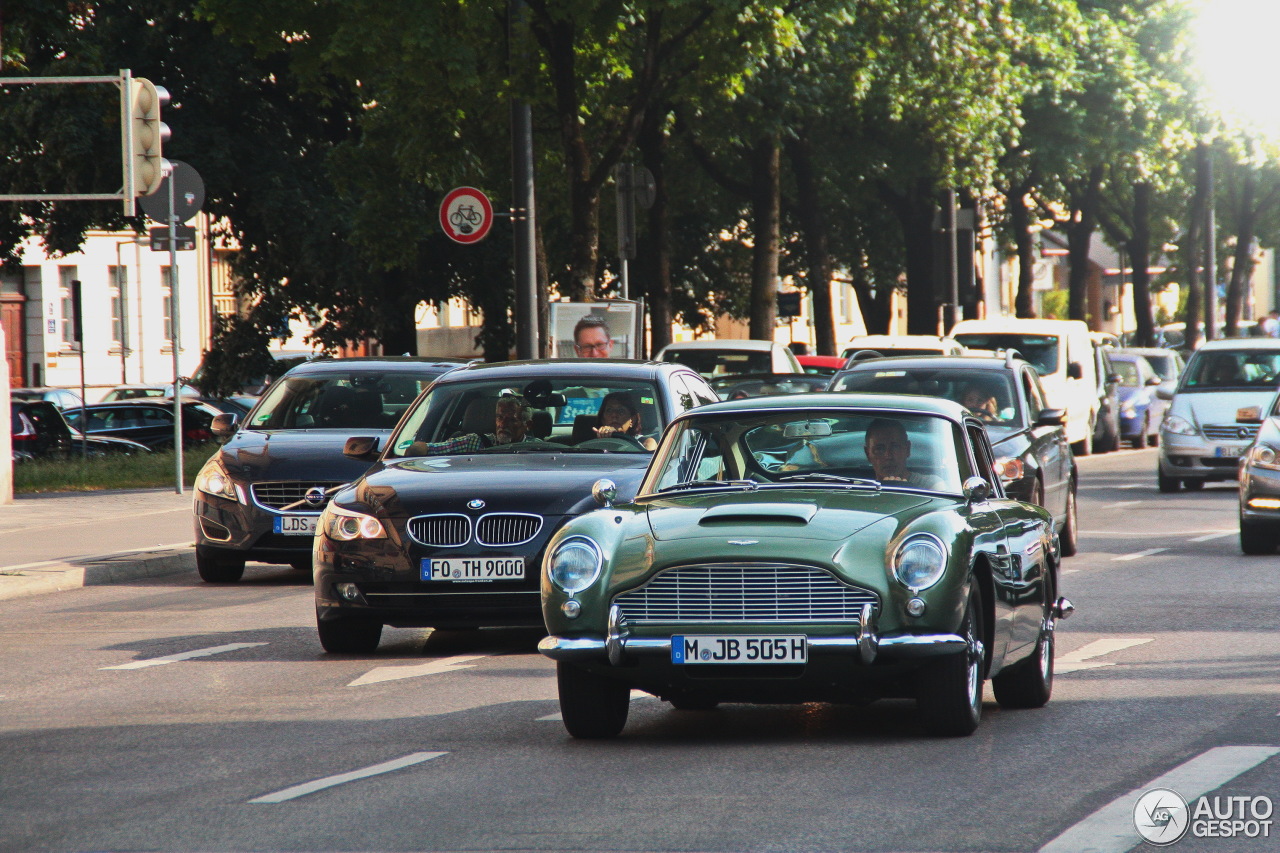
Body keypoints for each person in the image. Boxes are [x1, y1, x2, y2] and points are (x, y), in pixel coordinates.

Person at [411, 395, 543, 455]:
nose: (503, 424)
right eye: (499, 417)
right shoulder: (474, 442)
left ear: (528, 425)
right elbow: (429, 449)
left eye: (512, 420)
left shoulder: (539, 449)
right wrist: (416, 450)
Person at [864, 418, 946, 489]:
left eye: (895, 447)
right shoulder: (860, 490)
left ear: (907, 449)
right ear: (868, 454)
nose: (888, 456)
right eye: (879, 449)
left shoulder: (931, 485)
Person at [592, 391, 657, 450]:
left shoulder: (646, 443)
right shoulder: (590, 443)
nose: (614, 415)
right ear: (603, 419)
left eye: (621, 411)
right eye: (609, 410)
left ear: (632, 420)